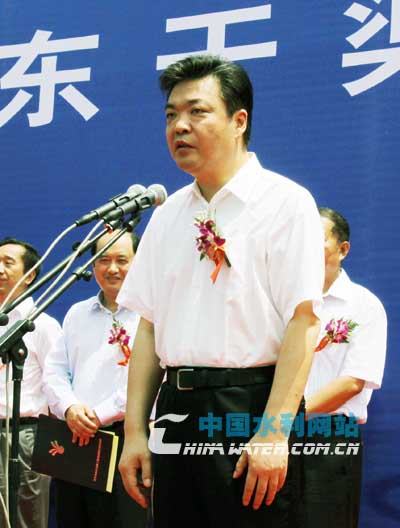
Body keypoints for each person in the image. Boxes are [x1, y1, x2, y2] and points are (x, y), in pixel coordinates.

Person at [117, 54, 325, 528]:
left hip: (248, 408)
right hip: (176, 410)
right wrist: (134, 432)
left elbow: (304, 323)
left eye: (197, 111)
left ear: (239, 121)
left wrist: (274, 433)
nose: (179, 126)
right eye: (171, 115)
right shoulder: (167, 215)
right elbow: (148, 327)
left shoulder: (285, 202)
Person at [43, 230, 147, 528]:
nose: (112, 268)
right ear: (92, 266)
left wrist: (98, 415)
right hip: (74, 439)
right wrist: (70, 408)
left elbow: (150, 379)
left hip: (126, 439)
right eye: (103, 260)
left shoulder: (149, 315)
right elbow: (54, 370)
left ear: (138, 262)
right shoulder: (77, 313)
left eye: (121, 260)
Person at [303, 207, 387, 527]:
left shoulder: (363, 305)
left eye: (317, 239)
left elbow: (353, 381)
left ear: (343, 249)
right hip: (277, 434)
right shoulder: (285, 301)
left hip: (331, 437)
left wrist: (288, 414)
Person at [0, 237, 62, 528]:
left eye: (7, 263)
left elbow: (58, 384)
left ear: (30, 275)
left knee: (26, 519)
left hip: (24, 436)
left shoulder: (42, 325)